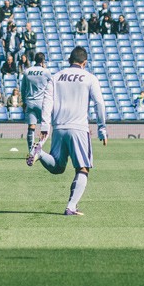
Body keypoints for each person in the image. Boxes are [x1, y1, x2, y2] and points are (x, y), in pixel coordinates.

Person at [27, 47, 106, 217]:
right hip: (79, 128)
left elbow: (47, 101)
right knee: (83, 169)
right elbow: (99, 103)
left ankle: (40, 153)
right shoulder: (90, 78)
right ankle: (71, 206)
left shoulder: (56, 77)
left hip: (59, 128)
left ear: (69, 60)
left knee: (57, 167)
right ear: (84, 63)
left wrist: (45, 126)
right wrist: (102, 127)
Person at [20, 52, 52, 153]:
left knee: (31, 127)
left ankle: (31, 151)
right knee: (45, 125)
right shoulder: (46, 72)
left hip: (29, 101)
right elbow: (52, 85)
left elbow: (23, 88)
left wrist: (23, 102)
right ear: (42, 61)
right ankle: (39, 147)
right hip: (42, 102)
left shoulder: (27, 71)